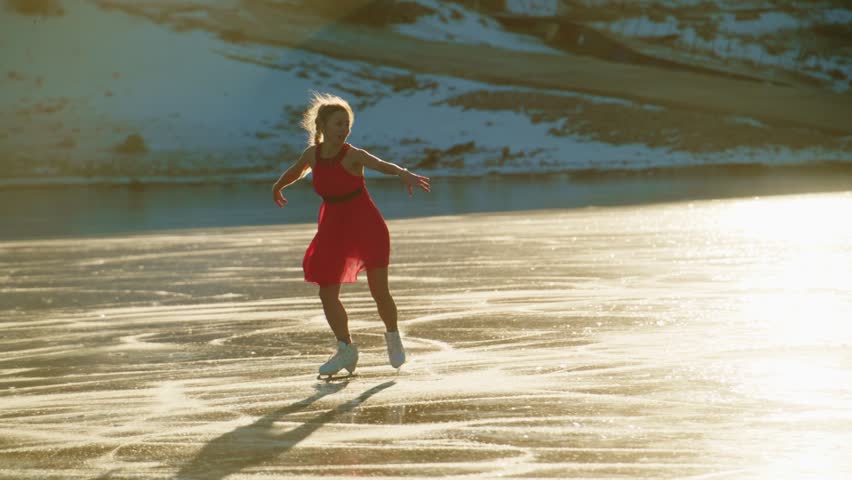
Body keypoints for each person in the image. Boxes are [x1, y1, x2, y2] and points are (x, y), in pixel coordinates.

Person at [272, 92, 431, 377]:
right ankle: (346, 349)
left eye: (347, 124)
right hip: (333, 228)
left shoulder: (353, 155)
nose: (344, 129)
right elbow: (297, 171)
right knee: (327, 292)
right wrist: (278, 186)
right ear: (322, 125)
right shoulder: (313, 154)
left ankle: (393, 337)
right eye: (338, 124)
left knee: (379, 292)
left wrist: (404, 173)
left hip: (366, 225)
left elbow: (382, 165)